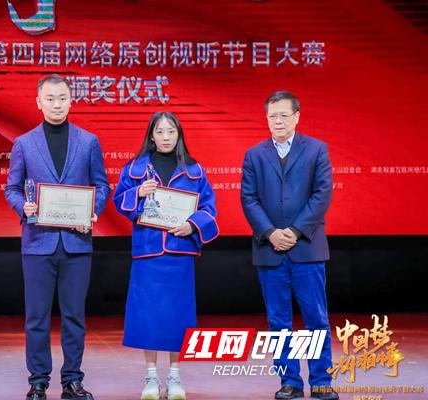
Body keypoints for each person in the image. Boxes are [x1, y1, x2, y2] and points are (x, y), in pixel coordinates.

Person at [5, 74, 110, 400]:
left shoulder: (88, 141)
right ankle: (38, 381)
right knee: (36, 318)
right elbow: (11, 188)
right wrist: (24, 206)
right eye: (50, 99)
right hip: (38, 242)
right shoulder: (24, 143)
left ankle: (72, 381)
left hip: (77, 244)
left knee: (74, 316)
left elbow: (102, 185)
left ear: (71, 100)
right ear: (39, 102)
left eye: (62, 98)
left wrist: (93, 211)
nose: (56, 104)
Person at [113, 111, 219, 400]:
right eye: (160, 132)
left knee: (178, 317)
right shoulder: (135, 168)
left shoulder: (194, 170)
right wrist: (138, 191)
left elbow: (209, 208)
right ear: (151, 135)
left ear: (179, 134)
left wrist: (192, 225)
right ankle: (150, 376)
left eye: (171, 131)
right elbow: (119, 200)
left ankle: (174, 376)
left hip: (179, 253)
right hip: (147, 253)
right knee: (148, 316)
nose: (166, 137)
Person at [240, 91, 339, 400]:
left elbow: (322, 194)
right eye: (272, 116)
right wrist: (270, 233)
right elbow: (249, 198)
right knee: (279, 321)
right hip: (270, 249)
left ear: (297, 116)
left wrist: (295, 231)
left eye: (284, 115)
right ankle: (290, 382)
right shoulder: (254, 155)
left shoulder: (316, 150)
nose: (278, 121)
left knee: (316, 319)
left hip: (307, 247)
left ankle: (321, 381)